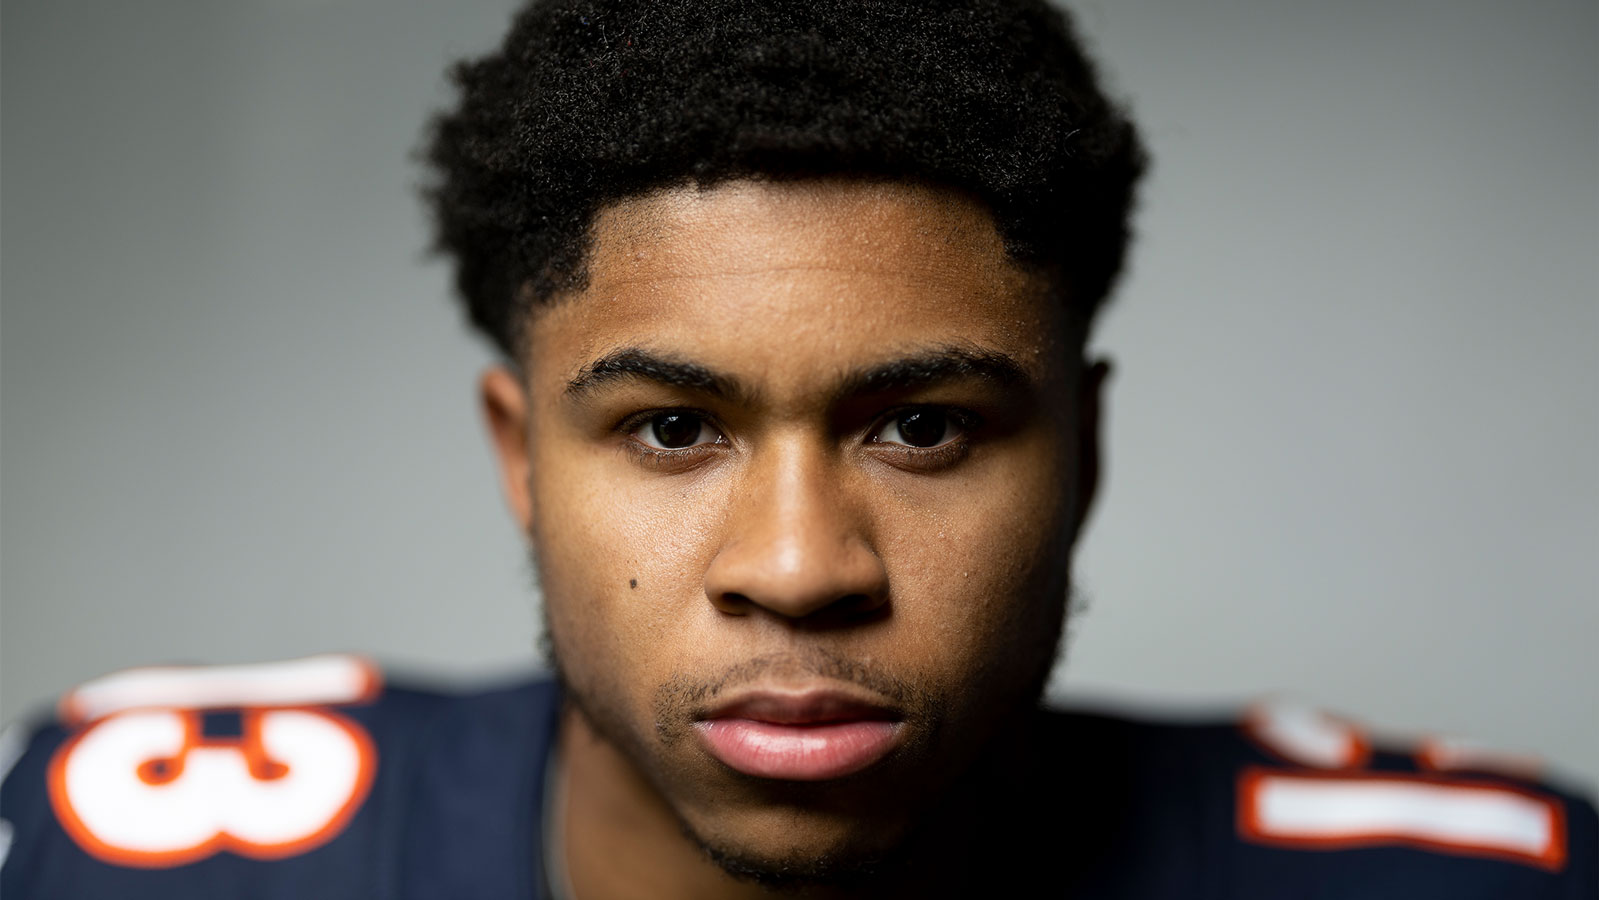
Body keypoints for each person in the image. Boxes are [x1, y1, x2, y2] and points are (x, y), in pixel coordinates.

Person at [1, 0, 1593, 897]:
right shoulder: (124, 859)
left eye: (922, 426)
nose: (797, 569)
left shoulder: (1481, 885)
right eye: (675, 427)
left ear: (1086, 451)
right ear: (519, 456)